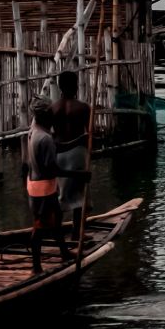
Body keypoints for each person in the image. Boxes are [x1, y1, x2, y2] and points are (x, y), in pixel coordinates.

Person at [22, 102, 85, 273]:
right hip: (43, 189)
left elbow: (56, 148)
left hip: (38, 185)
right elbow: (53, 169)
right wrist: (79, 175)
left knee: (56, 221)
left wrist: (78, 141)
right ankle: (36, 267)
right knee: (40, 228)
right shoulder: (45, 138)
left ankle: (64, 252)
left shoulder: (35, 131)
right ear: (47, 118)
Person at [50, 72, 92, 255]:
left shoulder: (53, 108)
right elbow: (90, 133)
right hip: (77, 152)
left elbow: (50, 132)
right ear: (75, 86)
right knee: (78, 193)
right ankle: (76, 233)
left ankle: (57, 232)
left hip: (58, 152)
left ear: (60, 87)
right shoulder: (83, 107)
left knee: (60, 194)